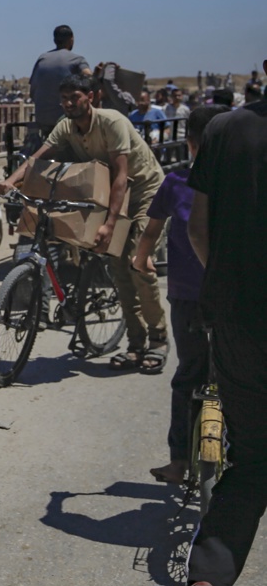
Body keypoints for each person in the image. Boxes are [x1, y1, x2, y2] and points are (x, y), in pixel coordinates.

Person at [0, 74, 167, 373]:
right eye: (64, 99)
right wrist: (10, 181)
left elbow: (121, 175)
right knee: (118, 269)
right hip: (111, 192)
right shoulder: (66, 125)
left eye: (74, 97)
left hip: (143, 192)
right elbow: (37, 159)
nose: (68, 104)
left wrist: (110, 224)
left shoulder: (111, 122)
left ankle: (158, 338)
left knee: (137, 264)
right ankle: (136, 343)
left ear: (92, 97)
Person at [186, 67, 267, 586]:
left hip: (238, 322)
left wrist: (228, 288)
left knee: (251, 461)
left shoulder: (223, 130)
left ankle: (208, 576)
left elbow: (197, 228)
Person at [133, 106, 228, 486]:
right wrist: (141, 257)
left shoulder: (184, 181)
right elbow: (151, 230)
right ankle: (188, 459)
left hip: (203, 296)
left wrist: (142, 257)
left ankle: (187, 460)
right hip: (209, 297)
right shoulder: (187, 182)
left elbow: (151, 232)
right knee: (204, 374)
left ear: (188, 142)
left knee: (201, 375)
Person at [28, 24, 92, 137]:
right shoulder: (77, 59)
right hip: (67, 122)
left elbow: (32, 92)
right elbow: (90, 78)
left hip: (43, 121)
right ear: (71, 39)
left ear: (54, 40)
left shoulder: (42, 58)